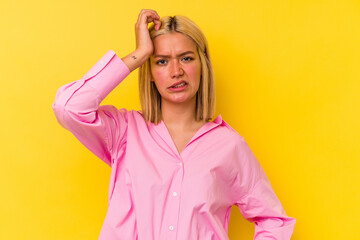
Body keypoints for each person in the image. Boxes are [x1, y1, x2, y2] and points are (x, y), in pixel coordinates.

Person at [52, 9, 296, 240]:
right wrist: (138, 54)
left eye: (186, 58)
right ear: (148, 71)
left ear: (202, 65)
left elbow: (273, 220)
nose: (176, 71)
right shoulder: (125, 132)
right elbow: (69, 107)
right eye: (161, 61)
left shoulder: (228, 146)